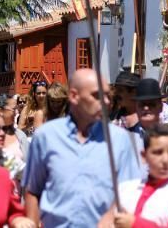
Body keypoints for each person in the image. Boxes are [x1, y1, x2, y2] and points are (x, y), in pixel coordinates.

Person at [22, 68, 141, 227]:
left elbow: (130, 192)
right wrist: (32, 222)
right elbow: (33, 190)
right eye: (97, 95)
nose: (105, 101)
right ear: (74, 96)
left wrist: (109, 217)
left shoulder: (120, 140)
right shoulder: (46, 137)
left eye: (107, 95)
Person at [107, 124, 168, 228]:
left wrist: (135, 224)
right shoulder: (125, 189)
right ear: (144, 156)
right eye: (158, 152)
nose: (165, 160)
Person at [0, 95, 29, 163]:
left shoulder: (20, 135)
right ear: (1, 111)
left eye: (16, 109)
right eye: (13, 109)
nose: (16, 113)